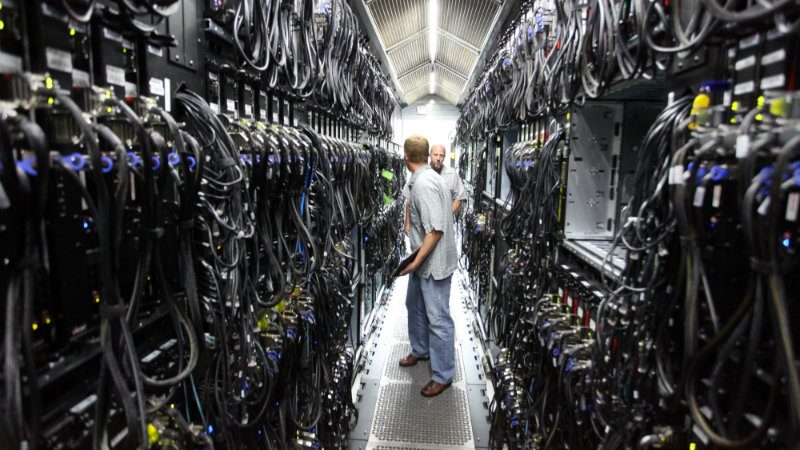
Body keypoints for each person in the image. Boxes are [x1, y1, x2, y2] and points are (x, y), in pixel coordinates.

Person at [398, 135, 458, 398]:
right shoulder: (427, 179)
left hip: (433, 263)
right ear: (425, 156)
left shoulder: (424, 184)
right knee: (414, 305)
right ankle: (420, 350)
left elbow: (435, 231)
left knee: (439, 320)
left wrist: (416, 262)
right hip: (422, 260)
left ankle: (443, 375)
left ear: (405, 157)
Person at [404, 144, 467, 236]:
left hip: (444, 228)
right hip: (422, 226)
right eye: (435, 155)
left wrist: (446, 215)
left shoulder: (451, 174)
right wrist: (407, 223)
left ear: (444, 157)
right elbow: (409, 200)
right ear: (429, 155)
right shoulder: (419, 173)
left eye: (441, 155)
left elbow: (459, 198)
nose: (438, 158)